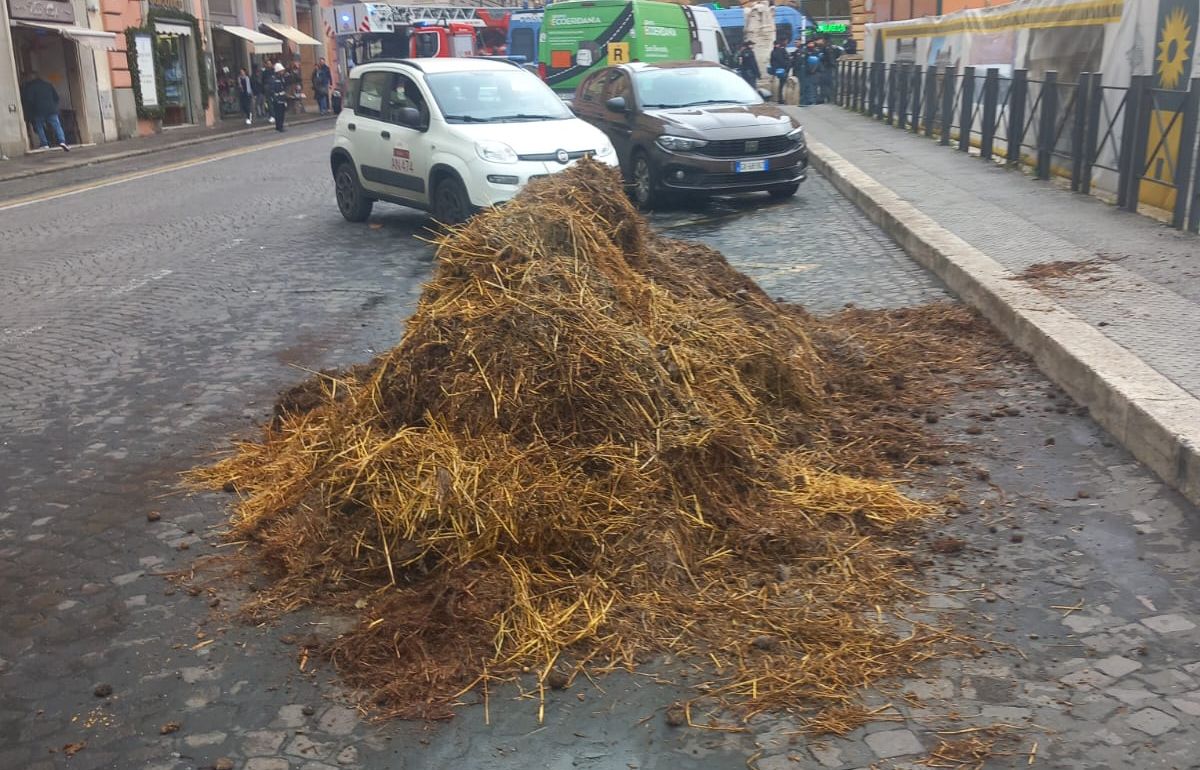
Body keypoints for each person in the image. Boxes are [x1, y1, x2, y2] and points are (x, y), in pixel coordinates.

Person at [19, 72, 69, 152]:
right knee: (56, 125)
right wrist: (53, 106)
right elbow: (56, 97)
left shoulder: (30, 87)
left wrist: (30, 111)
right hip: (51, 109)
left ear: (30, 78)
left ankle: (44, 143)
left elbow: (29, 100)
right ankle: (62, 141)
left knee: (39, 126)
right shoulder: (48, 84)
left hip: (39, 110)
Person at [267, 62, 290, 131]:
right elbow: (272, 89)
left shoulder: (282, 78)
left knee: (282, 113)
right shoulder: (273, 79)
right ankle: (279, 127)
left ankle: (280, 125)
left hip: (282, 98)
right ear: (278, 71)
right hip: (277, 98)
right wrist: (275, 98)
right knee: (278, 114)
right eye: (281, 71)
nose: (283, 72)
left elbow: (284, 86)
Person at [769, 40, 790, 104]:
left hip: (776, 70)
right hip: (782, 70)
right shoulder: (781, 51)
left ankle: (778, 98)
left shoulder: (773, 51)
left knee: (780, 85)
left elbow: (771, 61)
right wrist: (786, 68)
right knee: (782, 85)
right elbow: (783, 61)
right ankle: (781, 99)